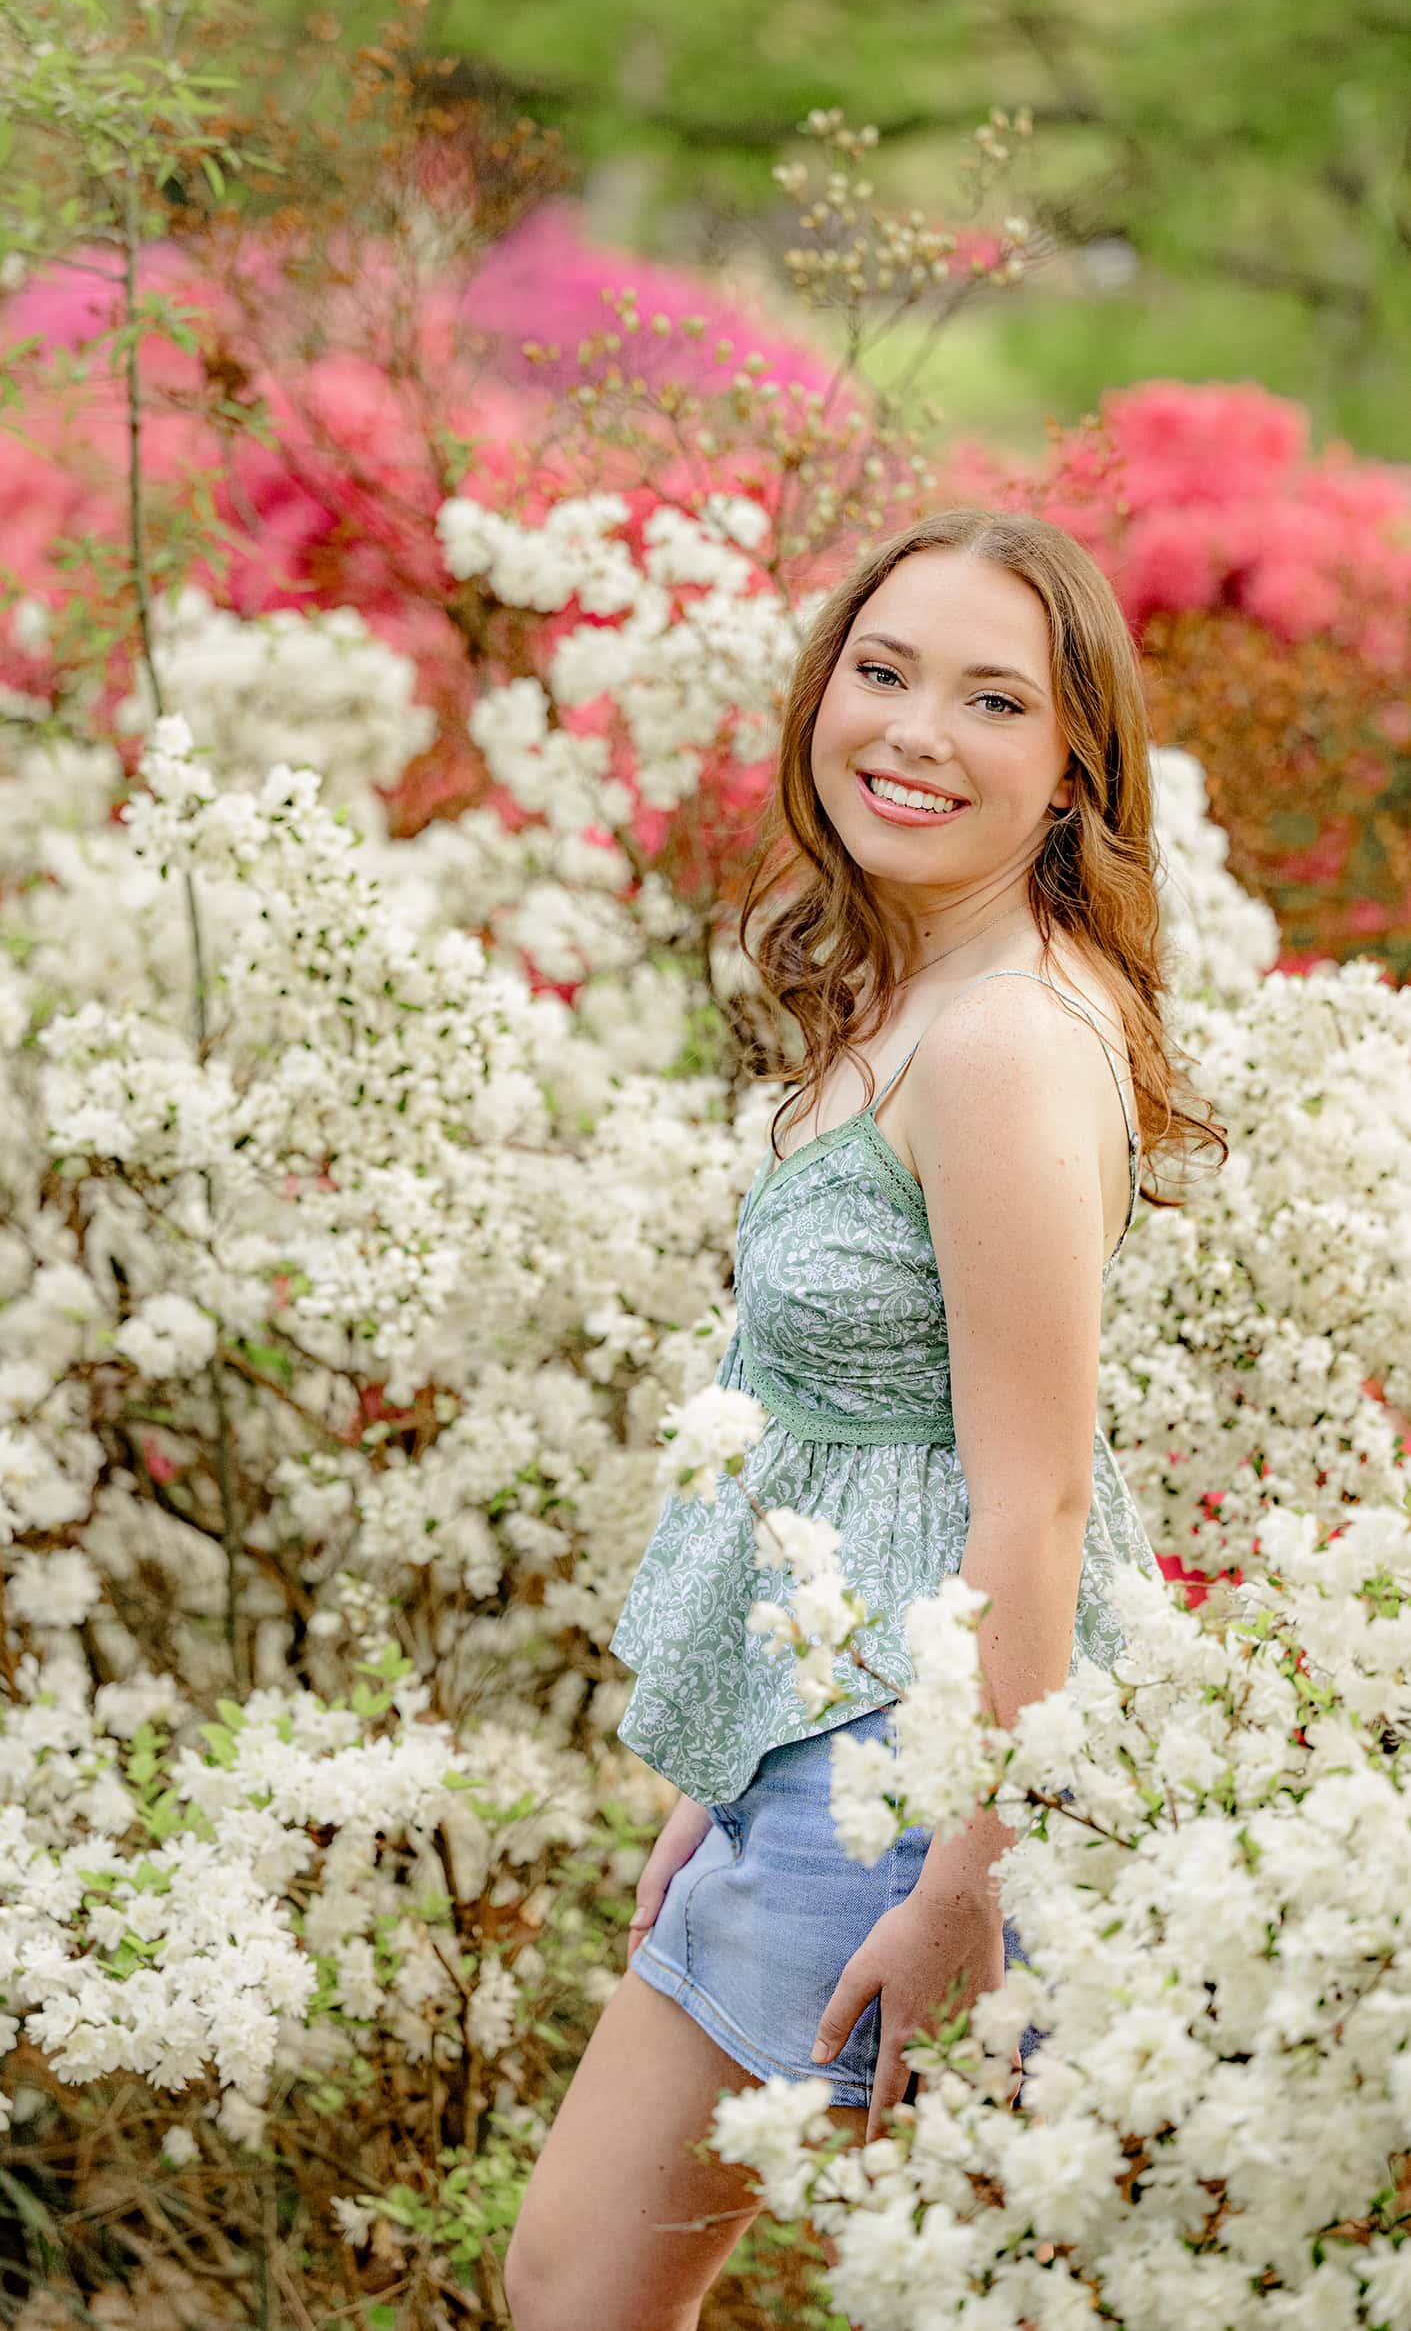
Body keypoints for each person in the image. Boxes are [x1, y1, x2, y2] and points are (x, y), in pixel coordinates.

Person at [502, 507, 1227, 2331]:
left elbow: (1036, 1502)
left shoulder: (1000, 1042)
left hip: (911, 1781)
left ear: (1072, 774)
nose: (912, 732)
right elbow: (844, 1447)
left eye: (993, 700)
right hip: (814, 1749)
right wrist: (724, 1769)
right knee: (585, 2290)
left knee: (595, 2298)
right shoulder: (915, 990)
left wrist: (970, 1886)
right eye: (883, 671)